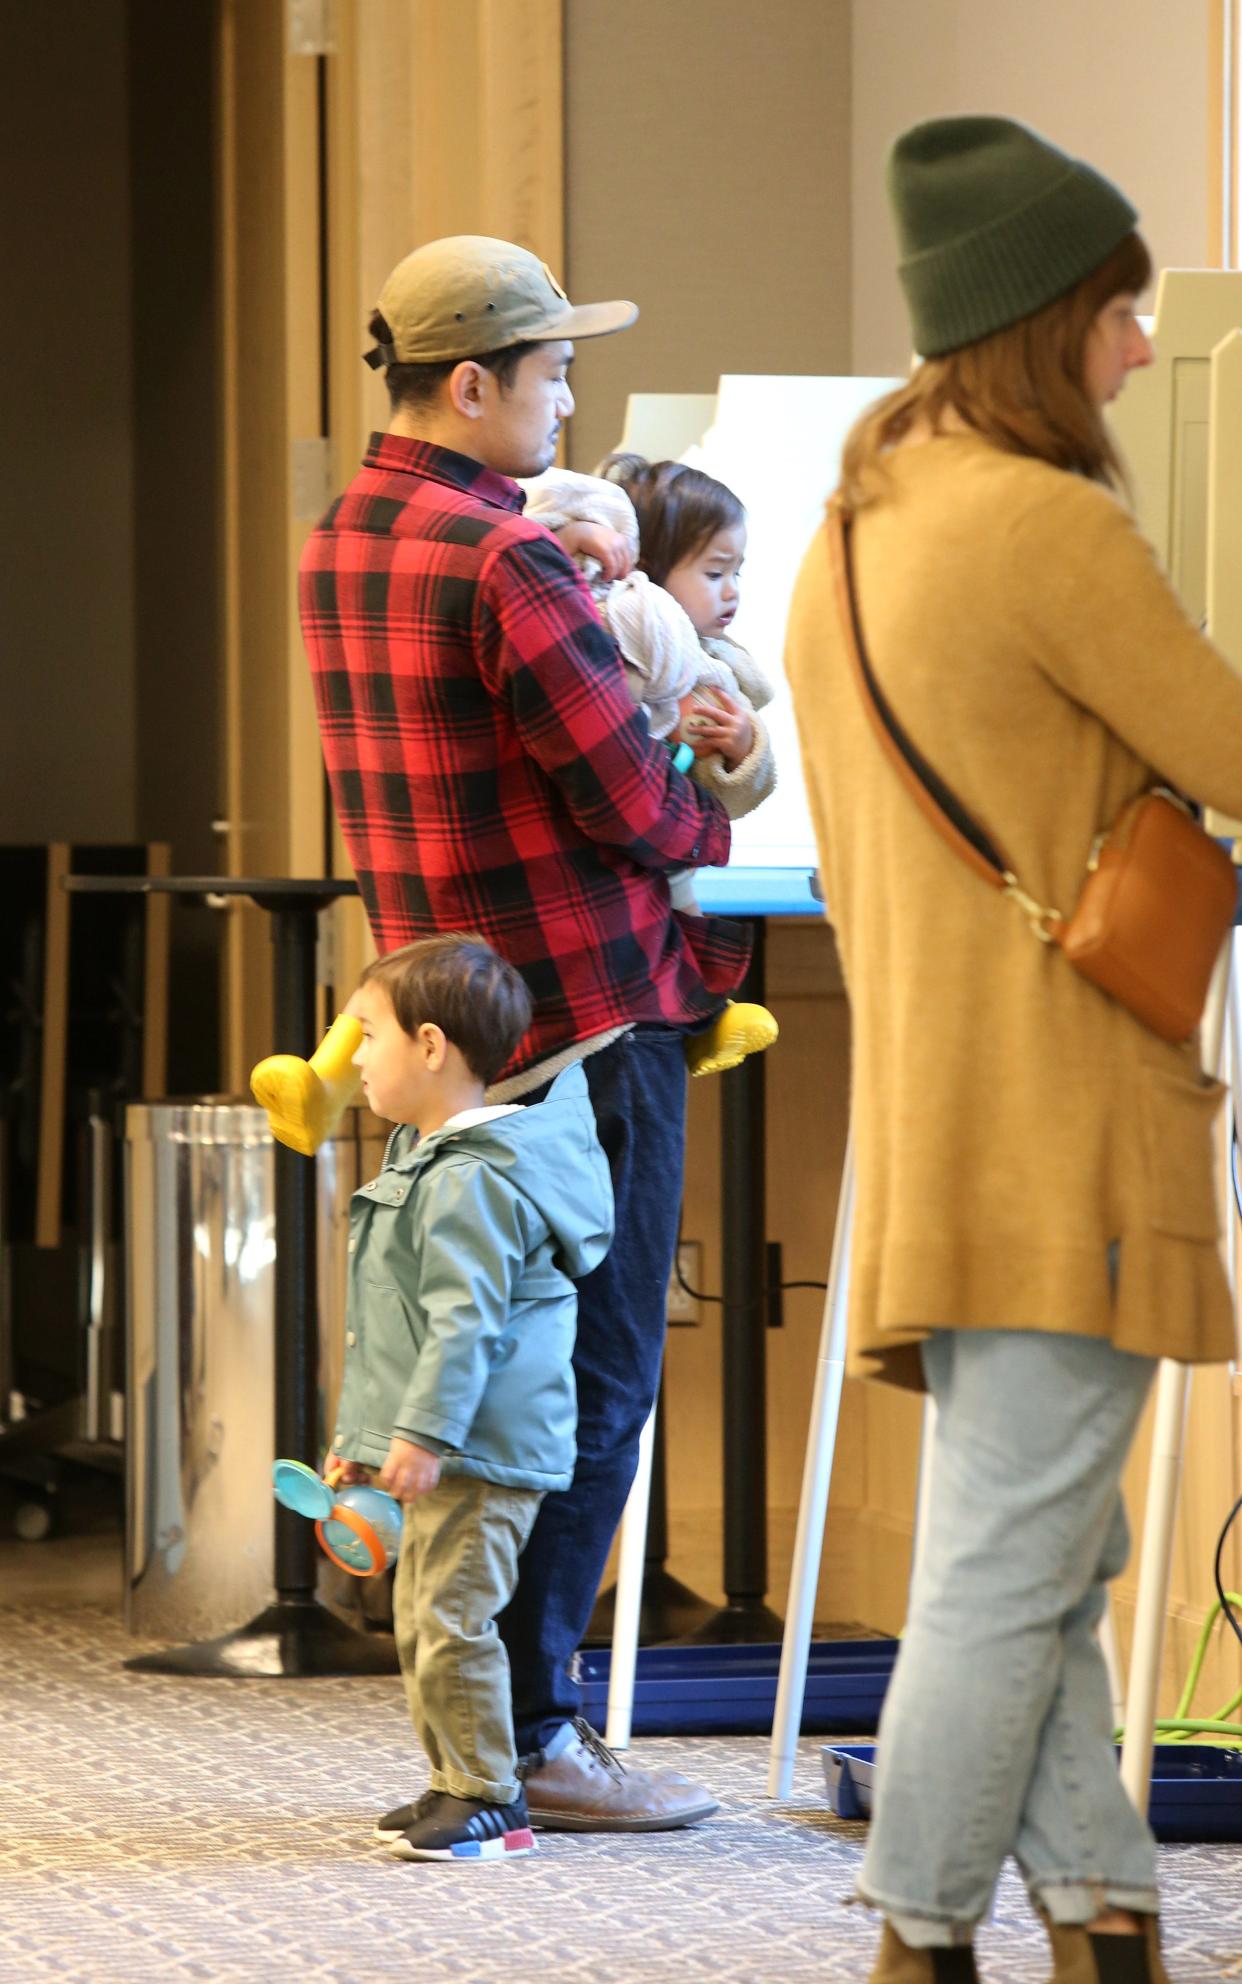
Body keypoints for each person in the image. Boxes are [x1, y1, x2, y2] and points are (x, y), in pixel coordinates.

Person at [785, 116, 1242, 1984]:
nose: (1141, 347)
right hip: (1069, 1127)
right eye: (1119, 312)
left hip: (939, 1119)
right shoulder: (1042, 524)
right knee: (1004, 1565)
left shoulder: (848, 528)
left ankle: (1102, 1906)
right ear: (1038, 324)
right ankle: (915, 1930)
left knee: (1031, 1544)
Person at [299, 234, 747, 1832]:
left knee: (471, 1370)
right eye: (553, 367)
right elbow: (633, 807)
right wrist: (709, 786)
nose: (571, 396)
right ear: (472, 382)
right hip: (589, 1019)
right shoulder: (510, 560)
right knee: (599, 1374)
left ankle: (485, 1718)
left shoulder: (340, 538)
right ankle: (541, 1730)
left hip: (450, 1027)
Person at [327, 933, 613, 1862]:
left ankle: (491, 1798)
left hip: (483, 1447)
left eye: (368, 1034)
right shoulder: (429, 1160)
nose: (355, 1055)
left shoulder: (475, 1183)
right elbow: (394, 1326)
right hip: (447, 1441)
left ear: (432, 1047)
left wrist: (422, 1432)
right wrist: (364, 1437)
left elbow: (465, 1325)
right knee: (425, 1615)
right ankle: (457, 1778)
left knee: (452, 1617)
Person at [522, 452, 779, 1073]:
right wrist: (579, 533)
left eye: (737, 571)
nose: (732, 591)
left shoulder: (716, 665)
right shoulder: (606, 620)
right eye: (715, 571)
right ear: (653, 570)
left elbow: (738, 790)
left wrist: (745, 745)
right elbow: (534, 521)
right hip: (604, 889)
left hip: (668, 842)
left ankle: (709, 1015)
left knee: (685, 905)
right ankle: (706, 1015)